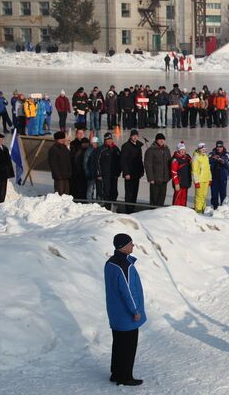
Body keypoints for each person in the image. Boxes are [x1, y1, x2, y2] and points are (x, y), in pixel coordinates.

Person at [104, 233, 146, 386]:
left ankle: (116, 373)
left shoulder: (110, 262)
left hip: (115, 313)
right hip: (126, 315)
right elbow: (127, 291)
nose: (133, 246)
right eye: (130, 243)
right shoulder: (124, 266)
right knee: (128, 348)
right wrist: (135, 311)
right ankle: (125, 377)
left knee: (118, 345)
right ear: (123, 246)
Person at [144, 133, 171, 207]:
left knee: (162, 198)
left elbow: (169, 163)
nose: (162, 141)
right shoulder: (151, 150)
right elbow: (148, 165)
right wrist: (150, 178)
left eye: (163, 139)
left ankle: (160, 214)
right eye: (160, 139)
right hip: (155, 179)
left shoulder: (166, 149)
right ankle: (153, 214)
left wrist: (169, 176)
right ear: (156, 140)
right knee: (154, 199)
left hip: (164, 179)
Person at [96, 132, 121, 210]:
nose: (109, 141)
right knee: (106, 191)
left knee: (114, 191)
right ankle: (107, 207)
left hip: (114, 175)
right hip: (105, 175)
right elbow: (97, 162)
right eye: (107, 140)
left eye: (110, 139)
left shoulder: (116, 149)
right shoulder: (101, 149)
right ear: (105, 140)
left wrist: (118, 172)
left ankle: (114, 206)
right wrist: (99, 174)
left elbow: (120, 161)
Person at [121, 130, 144, 213]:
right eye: (133, 135)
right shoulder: (126, 146)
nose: (135, 137)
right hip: (129, 173)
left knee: (135, 191)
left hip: (136, 173)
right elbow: (123, 160)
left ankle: (132, 206)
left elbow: (140, 160)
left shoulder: (138, 146)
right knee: (129, 192)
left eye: (136, 136)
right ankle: (128, 208)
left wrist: (142, 170)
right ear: (130, 136)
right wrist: (126, 173)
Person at [208, 140, 229, 209]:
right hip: (214, 176)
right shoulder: (211, 154)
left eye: (220, 146)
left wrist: (223, 161)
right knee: (214, 192)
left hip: (223, 176)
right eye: (217, 147)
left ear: (223, 147)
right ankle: (215, 206)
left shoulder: (227, 154)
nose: (219, 148)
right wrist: (213, 159)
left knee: (223, 193)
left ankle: (223, 207)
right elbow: (206, 162)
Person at [48, 131, 72, 195]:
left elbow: (68, 161)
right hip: (59, 176)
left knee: (66, 193)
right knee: (60, 193)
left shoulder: (64, 147)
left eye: (63, 138)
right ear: (57, 140)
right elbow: (53, 164)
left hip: (66, 175)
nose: (63, 140)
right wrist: (57, 175)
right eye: (61, 139)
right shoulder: (53, 149)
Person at [170, 142, 192, 207]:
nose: (183, 151)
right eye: (181, 150)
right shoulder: (175, 159)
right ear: (178, 150)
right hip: (179, 184)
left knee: (184, 199)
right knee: (177, 199)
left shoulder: (187, 158)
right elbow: (174, 172)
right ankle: (176, 212)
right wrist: (176, 183)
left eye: (184, 150)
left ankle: (183, 213)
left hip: (186, 182)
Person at [191, 142, 211, 212]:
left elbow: (208, 168)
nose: (203, 150)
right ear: (199, 149)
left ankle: (203, 209)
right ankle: (198, 210)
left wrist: (210, 178)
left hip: (206, 179)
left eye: (204, 149)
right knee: (199, 196)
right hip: (199, 180)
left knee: (204, 196)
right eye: (202, 149)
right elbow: (194, 171)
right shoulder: (196, 157)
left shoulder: (205, 156)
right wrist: (196, 181)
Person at [84, 136, 100, 201]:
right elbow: (85, 163)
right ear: (92, 143)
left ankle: (98, 202)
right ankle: (89, 202)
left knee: (98, 189)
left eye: (96, 143)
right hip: (91, 173)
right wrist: (88, 173)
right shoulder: (88, 151)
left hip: (97, 173)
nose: (95, 144)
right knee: (90, 189)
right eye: (94, 143)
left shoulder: (99, 150)